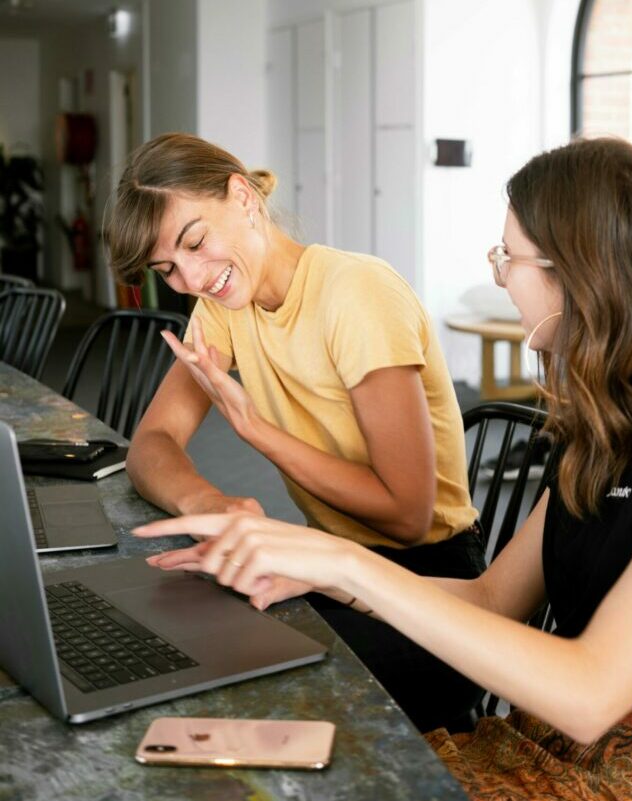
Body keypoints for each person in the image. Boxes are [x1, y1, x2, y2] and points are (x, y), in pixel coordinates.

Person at [133, 137, 632, 801]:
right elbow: (491, 599)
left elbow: (592, 692)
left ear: (582, 269)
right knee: (242, 766)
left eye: (509, 256)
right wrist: (308, 568)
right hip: (539, 746)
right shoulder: (610, 419)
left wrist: (339, 562)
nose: (501, 274)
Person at [106, 132, 486, 732]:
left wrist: (255, 429)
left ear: (242, 197)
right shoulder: (226, 307)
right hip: (330, 567)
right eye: (168, 269)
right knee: (181, 628)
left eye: (197, 242)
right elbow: (151, 445)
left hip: (431, 592)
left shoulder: (355, 292)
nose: (193, 279)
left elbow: (409, 514)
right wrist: (213, 503)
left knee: (232, 678)